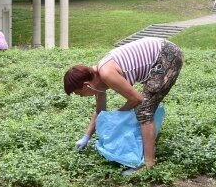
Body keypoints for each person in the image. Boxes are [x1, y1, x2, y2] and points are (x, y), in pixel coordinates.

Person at [63, 37, 183, 175]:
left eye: (79, 93)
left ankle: (149, 164)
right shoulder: (97, 79)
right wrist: (86, 137)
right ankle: (147, 146)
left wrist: (117, 116)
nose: (81, 96)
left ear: (86, 85)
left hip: (167, 55)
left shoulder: (106, 73)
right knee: (144, 107)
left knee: (144, 110)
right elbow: (100, 110)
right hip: (161, 54)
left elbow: (136, 98)